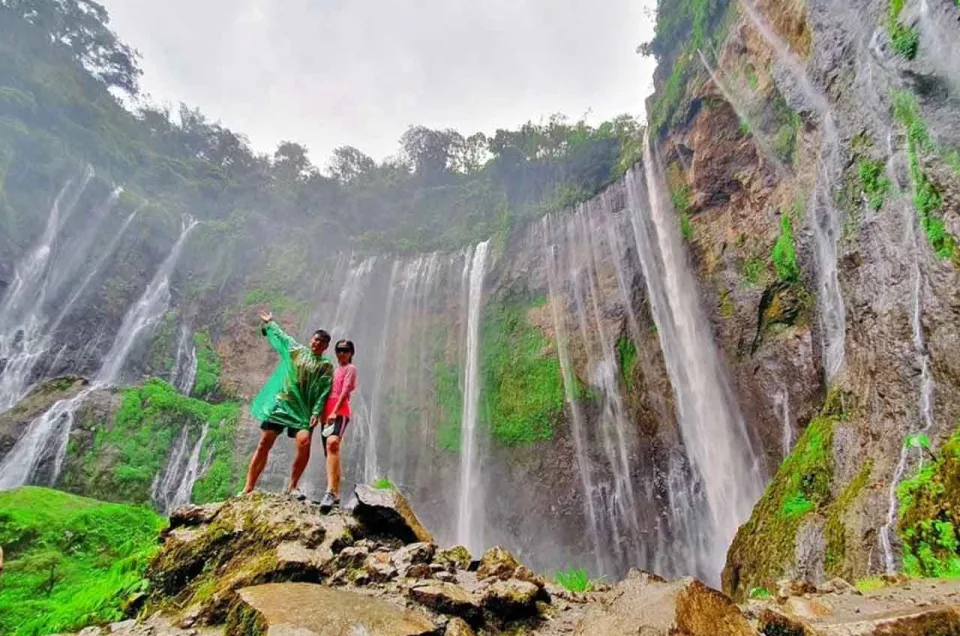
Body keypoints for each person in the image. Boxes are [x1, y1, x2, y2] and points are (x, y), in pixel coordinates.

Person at [242, 310, 334, 499]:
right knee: (264, 443)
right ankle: (248, 487)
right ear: (311, 340)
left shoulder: (326, 366)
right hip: (281, 405)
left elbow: (325, 390)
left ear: (326, 346)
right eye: (315, 340)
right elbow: (283, 338)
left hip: (302, 411)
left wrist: (316, 411)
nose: (316, 343)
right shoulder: (296, 351)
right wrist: (271, 323)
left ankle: (292, 487)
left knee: (304, 442)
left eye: (321, 342)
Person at [317, 339, 357, 512]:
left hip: (340, 412)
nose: (342, 353)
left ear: (351, 353)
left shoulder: (350, 369)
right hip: (325, 413)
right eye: (339, 350)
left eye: (346, 350)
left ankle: (330, 492)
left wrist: (334, 411)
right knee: (330, 451)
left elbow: (346, 389)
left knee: (332, 443)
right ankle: (336, 493)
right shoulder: (332, 370)